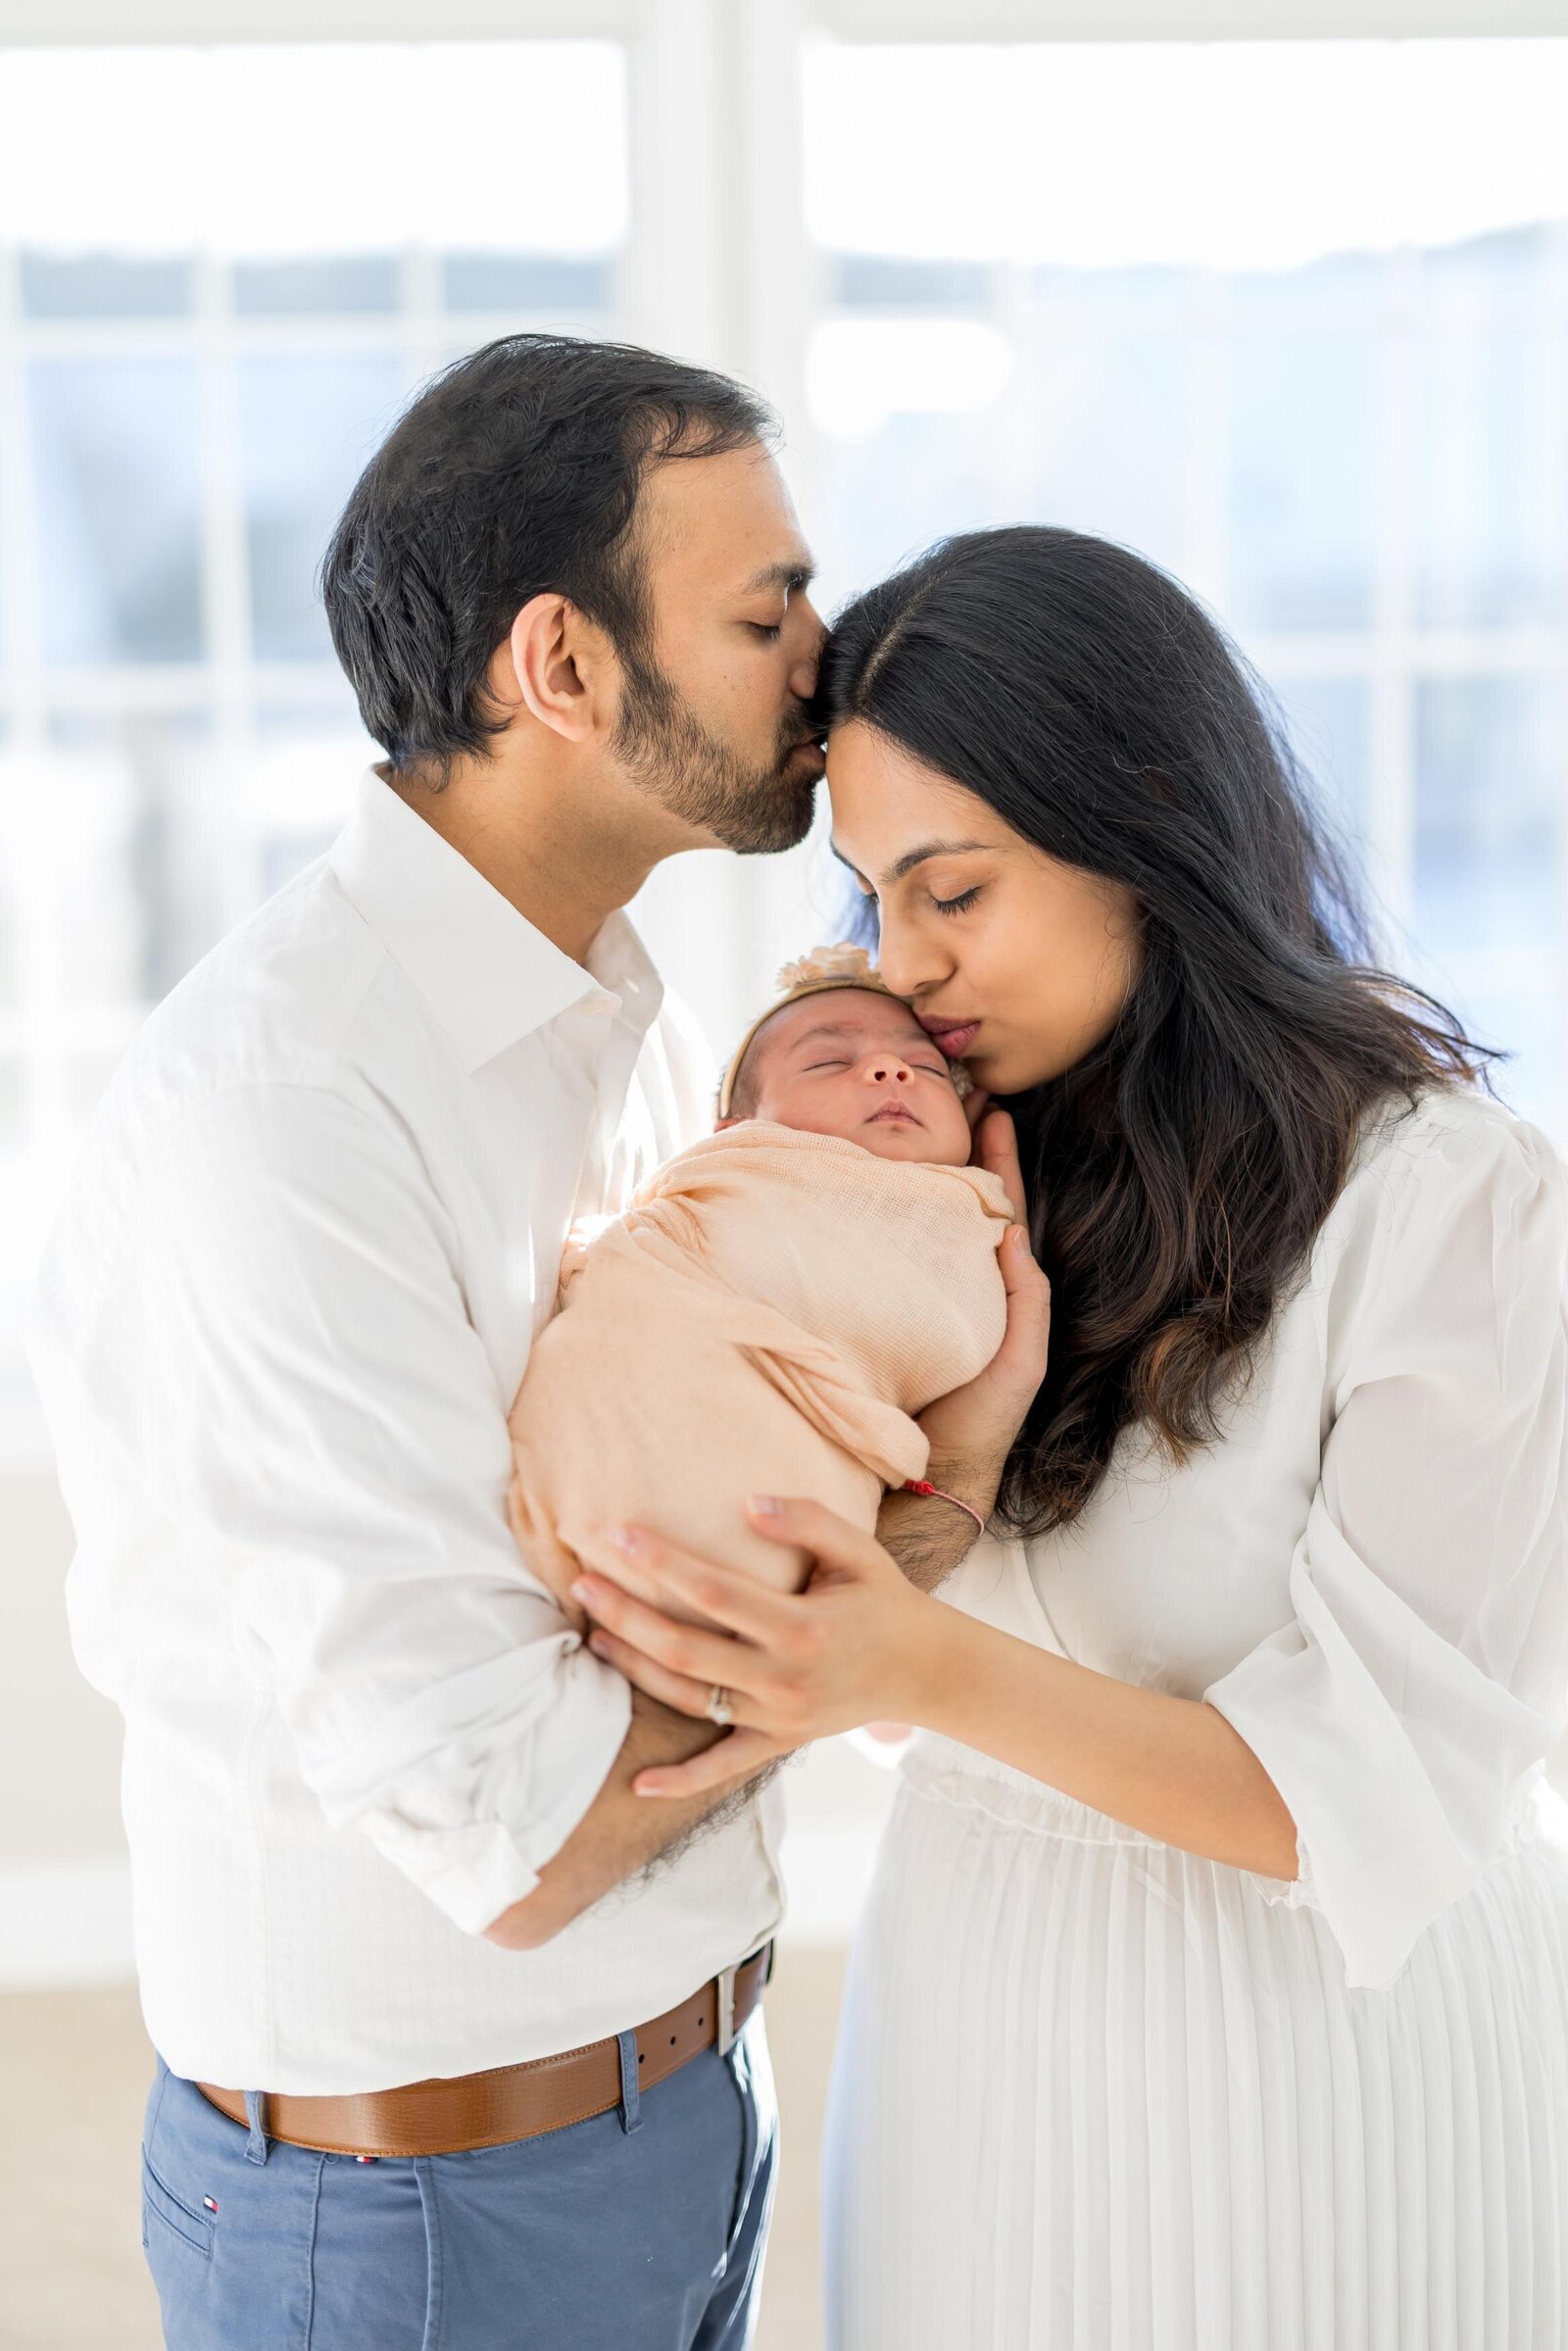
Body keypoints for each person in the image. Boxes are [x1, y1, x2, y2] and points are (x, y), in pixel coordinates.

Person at [24, 340, 1043, 2351]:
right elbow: (529, 1825)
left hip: (675, 2102)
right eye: (764, 612)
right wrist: (939, 1522)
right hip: (422, 2210)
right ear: (561, 668)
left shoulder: (609, 1010)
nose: (825, 665)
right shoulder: (294, 1108)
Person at [569, 526, 1568, 2350]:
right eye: (874, 900)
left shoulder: (1445, 1199)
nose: (908, 969)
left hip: (1322, 2063)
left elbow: (1368, 1786)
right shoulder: (945, 1181)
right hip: (979, 2002)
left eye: (956, 891)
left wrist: (913, 1653)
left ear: (1147, 821)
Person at [506, 950, 1010, 1632]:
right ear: (737, 1133)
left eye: (923, 1067)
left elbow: (944, 1336)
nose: (890, 1070)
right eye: (829, 1061)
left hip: (788, 1506)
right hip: (643, 1379)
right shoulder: (735, 1182)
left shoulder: (966, 1222)